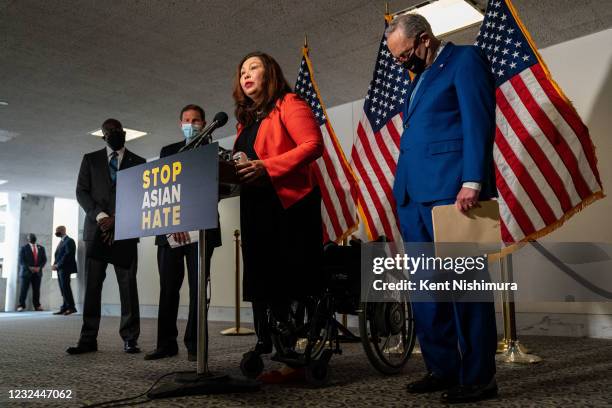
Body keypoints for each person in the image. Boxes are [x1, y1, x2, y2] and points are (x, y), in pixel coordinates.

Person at [386, 14, 498, 404]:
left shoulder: (465, 60)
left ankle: (479, 377)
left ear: (423, 39)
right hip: (412, 197)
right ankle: (442, 367)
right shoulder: (418, 81)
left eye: (403, 56)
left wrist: (473, 180)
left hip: (452, 193)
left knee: (466, 289)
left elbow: (478, 120)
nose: (402, 63)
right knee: (426, 291)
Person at [232, 51, 324, 382]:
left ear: (270, 72)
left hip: (289, 206)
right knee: (264, 282)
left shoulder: (289, 102)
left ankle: (294, 361)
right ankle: (275, 347)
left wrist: (266, 167)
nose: (246, 74)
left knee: (287, 281)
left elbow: (313, 144)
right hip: (257, 207)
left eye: (253, 67)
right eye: (242, 71)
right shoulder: (247, 120)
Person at [144, 104, 222, 361]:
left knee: (198, 291)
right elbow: (162, 190)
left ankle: (195, 344)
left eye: (196, 120)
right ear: (180, 124)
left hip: (201, 230)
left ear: (205, 123)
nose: (191, 124)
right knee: (168, 288)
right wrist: (174, 223)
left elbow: (215, 190)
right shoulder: (168, 151)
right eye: (187, 120)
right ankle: (166, 344)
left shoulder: (214, 152)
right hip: (170, 231)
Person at [67, 118, 145, 355]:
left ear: (124, 132)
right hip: (96, 231)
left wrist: (118, 218)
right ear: (103, 136)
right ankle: (88, 339)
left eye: (117, 129)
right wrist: (101, 216)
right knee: (92, 287)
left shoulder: (138, 162)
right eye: (109, 131)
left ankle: (130, 338)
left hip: (126, 232)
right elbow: (81, 192)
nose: (114, 133)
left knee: (128, 287)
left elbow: (140, 196)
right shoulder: (90, 159)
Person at [51, 225, 78, 315]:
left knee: (66, 288)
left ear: (63, 230)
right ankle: (65, 307)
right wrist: (55, 265)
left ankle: (71, 307)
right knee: (63, 288)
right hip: (60, 268)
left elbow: (68, 255)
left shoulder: (69, 241)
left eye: (57, 230)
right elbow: (58, 255)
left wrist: (58, 265)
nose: (56, 232)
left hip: (65, 268)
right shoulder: (62, 241)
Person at [17, 233, 47, 311]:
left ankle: (37, 306)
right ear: (28, 239)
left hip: (37, 272)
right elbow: (21, 261)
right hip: (26, 273)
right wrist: (30, 268)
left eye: (33, 237)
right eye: (30, 237)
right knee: (24, 290)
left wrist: (39, 267)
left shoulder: (41, 248)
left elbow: (44, 260)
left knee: (36, 290)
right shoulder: (23, 248)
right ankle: (21, 305)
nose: (32, 238)